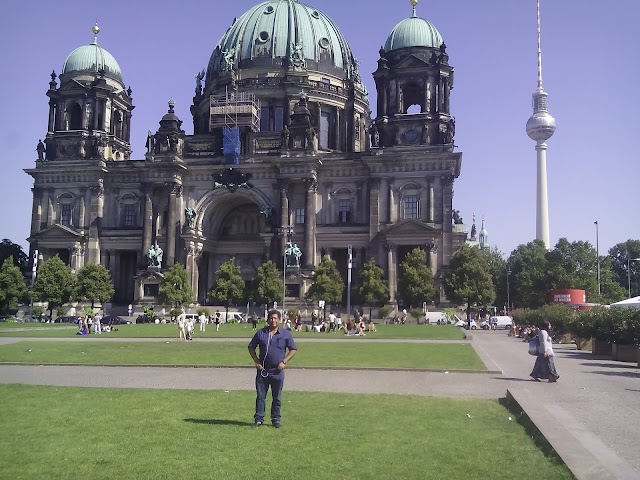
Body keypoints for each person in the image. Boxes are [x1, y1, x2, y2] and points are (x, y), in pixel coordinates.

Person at [248, 310, 297, 429]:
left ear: (279, 320)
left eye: (275, 318)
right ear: (267, 319)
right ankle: (259, 419)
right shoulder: (261, 333)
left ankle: (276, 419)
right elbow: (251, 347)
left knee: (277, 397)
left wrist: (284, 361)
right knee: (260, 396)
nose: (273, 320)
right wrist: (256, 360)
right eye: (271, 318)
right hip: (263, 370)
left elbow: (293, 349)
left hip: (277, 371)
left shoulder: (285, 334)